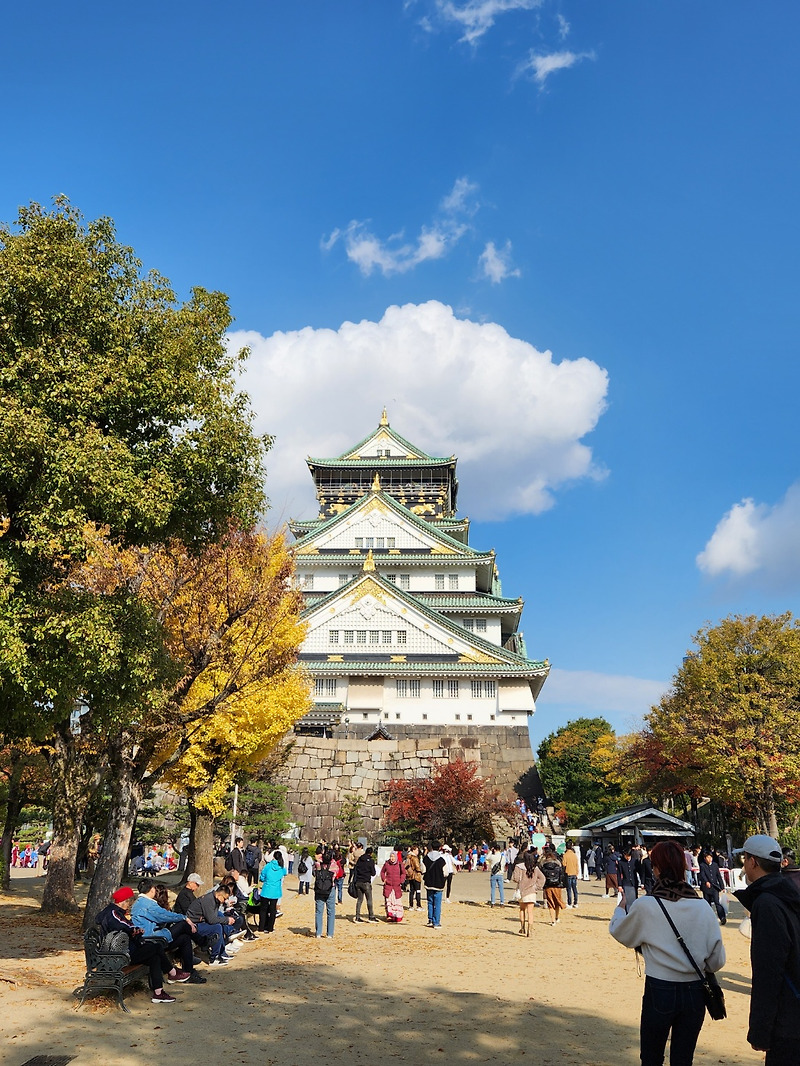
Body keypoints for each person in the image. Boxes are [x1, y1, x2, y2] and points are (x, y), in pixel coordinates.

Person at [609, 839, 725, 1066]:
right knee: (683, 1059)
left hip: (659, 987)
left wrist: (620, 908)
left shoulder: (647, 905)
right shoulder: (702, 907)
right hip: (694, 990)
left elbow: (621, 933)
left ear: (657, 869)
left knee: (651, 1057)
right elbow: (717, 960)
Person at [734, 834, 800, 1066]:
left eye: (745, 860)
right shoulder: (789, 891)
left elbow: (769, 971)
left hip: (787, 1019)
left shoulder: (767, 903)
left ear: (753, 862)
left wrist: (760, 1030)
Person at [95, 886, 189, 1002]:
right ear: (123, 901)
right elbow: (123, 925)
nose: (129, 905)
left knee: (154, 957)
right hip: (118, 956)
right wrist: (135, 929)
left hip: (121, 952)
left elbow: (125, 925)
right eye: (129, 902)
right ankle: (172, 972)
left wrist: (135, 930)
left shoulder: (113, 912)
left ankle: (158, 993)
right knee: (156, 947)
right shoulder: (113, 913)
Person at [131, 880, 206, 983]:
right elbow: (164, 916)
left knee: (185, 938)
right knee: (183, 924)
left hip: (154, 937)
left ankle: (189, 972)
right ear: (151, 889)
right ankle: (203, 942)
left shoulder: (141, 902)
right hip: (152, 939)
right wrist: (184, 917)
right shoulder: (147, 904)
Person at [186, 883, 236, 965]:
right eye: (224, 898)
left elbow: (214, 917)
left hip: (201, 922)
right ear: (219, 894)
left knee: (220, 916)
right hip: (193, 925)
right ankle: (213, 958)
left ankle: (221, 953)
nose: (225, 901)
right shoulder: (208, 900)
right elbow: (211, 920)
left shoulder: (214, 900)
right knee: (217, 927)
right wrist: (227, 920)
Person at [512, 851, 545, 936]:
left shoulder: (519, 867)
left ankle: (522, 928)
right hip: (532, 892)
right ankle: (529, 930)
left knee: (522, 909)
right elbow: (542, 878)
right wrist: (537, 886)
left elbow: (515, 878)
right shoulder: (535, 868)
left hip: (522, 891)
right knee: (530, 912)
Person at [258, 848, 287, 933]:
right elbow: (285, 873)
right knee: (272, 910)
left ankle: (261, 927)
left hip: (266, 890)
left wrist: (263, 880)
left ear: (273, 857)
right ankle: (270, 928)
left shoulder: (268, 866)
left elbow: (262, 876)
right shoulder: (281, 868)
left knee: (263, 910)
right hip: (275, 892)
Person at [313, 850, 337, 938]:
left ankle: (318, 932)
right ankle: (330, 933)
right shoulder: (334, 865)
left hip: (319, 889)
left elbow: (314, 873)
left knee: (319, 912)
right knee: (331, 911)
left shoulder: (318, 865)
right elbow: (336, 874)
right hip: (330, 888)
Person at [698, 851, 726, 924]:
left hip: (715, 887)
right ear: (704, 858)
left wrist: (722, 886)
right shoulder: (702, 865)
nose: (709, 859)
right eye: (707, 857)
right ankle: (709, 919)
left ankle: (722, 917)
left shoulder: (715, 865)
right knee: (708, 903)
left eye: (710, 857)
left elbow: (718, 876)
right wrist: (706, 881)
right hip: (706, 888)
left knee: (717, 902)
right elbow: (702, 875)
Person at [423, 841, 446, 929]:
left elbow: (423, 870)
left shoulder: (426, 858)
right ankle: (436, 922)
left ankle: (430, 920)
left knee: (430, 902)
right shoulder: (441, 860)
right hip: (439, 884)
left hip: (429, 883)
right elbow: (446, 872)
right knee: (437, 904)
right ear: (439, 847)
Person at [353, 846, 379, 923]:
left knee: (359, 900)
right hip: (366, 882)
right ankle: (371, 916)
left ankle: (357, 916)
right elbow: (373, 873)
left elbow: (356, 869)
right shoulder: (370, 861)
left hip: (358, 881)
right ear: (371, 853)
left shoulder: (360, 860)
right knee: (369, 900)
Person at [540, 844, 564, 925]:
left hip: (548, 885)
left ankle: (553, 920)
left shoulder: (543, 863)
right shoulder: (558, 862)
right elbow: (561, 874)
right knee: (557, 902)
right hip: (557, 885)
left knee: (550, 903)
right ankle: (556, 917)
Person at [380, 849, 405, 922]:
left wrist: (401, 880)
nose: (392, 858)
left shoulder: (399, 864)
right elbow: (382, 872)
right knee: (388, 901)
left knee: (397, 901)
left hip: (396, 886)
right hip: (388, 885)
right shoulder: (386, 863)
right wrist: (384, 879)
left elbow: (403, 873)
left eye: (393, 856)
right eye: (391, 856)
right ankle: (389, 915)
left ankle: (397, 916)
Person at [404, 845, 423, 911]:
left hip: (410, 876)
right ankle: (418, 905)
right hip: (416, 875)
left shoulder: (408, 857)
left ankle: (411, 905)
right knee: (418, 891)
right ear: (413, 850)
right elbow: (417, 866)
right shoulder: (414, 858)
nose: (418, 852)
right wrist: (421, 871)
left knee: (411, 891)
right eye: (417, 850)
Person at [563, 841, 580, 908]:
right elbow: (577, 864)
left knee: (569, 889)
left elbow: (564, 864)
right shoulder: (574, 855)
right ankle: (575, 903)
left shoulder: (565, 855)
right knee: (574, 889)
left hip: (568, 873)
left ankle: (569, 903)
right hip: (574, 873)